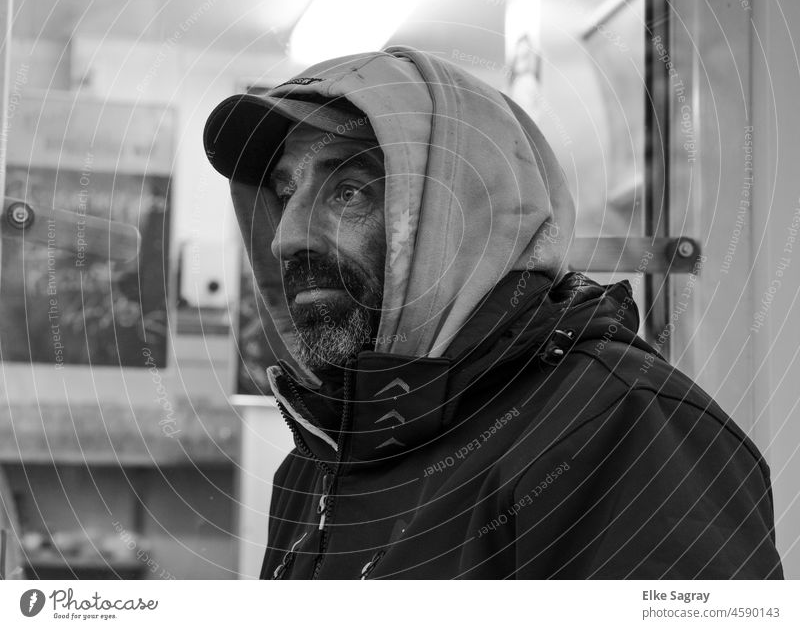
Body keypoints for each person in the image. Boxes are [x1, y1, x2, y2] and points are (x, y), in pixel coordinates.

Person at [203, 46, 783, 579]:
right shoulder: (322, 452)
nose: (286, 238)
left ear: (466, 219)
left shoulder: (622, 428)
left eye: (349, 190)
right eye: (285, 194)